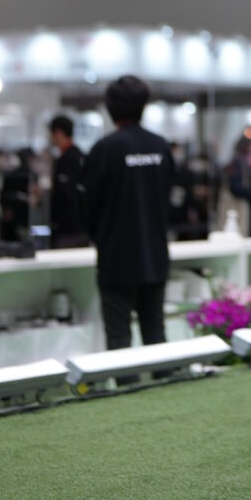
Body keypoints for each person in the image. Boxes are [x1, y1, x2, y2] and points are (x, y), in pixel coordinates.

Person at [82, 75, 174, 351]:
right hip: (155, 255)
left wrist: (101, 237)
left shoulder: (104, 150)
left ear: (110, 108)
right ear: (143, 106)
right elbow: (169, 197)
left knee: (119, 341)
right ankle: (162, 376)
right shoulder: (160, 147)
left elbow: (87, 207)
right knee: (156, 334)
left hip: (115, 259)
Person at [47, 115, 88, 248]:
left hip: (68, 231)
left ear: (58, 133)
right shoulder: (81, 155)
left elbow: (66, 194)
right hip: (82, 227)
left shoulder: (67, 160)